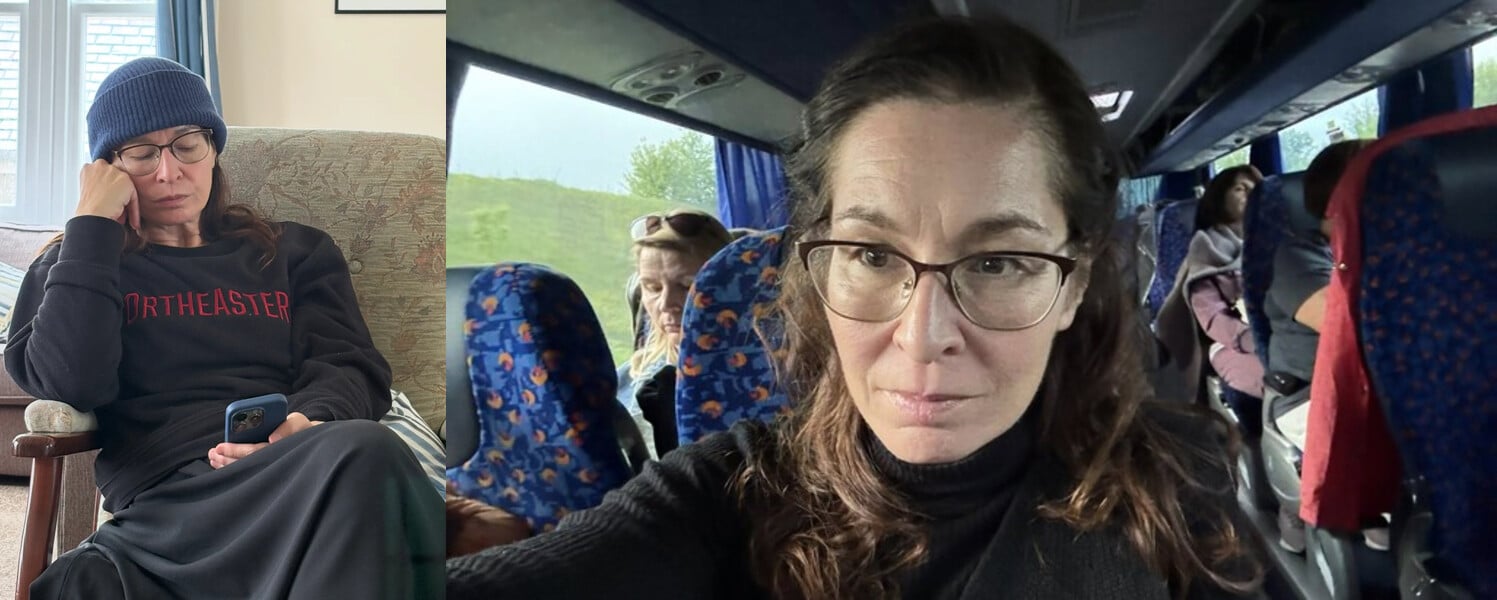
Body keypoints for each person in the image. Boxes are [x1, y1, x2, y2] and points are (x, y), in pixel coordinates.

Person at [450, 16, 1266, 599]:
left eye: (999, 261)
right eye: (872, 256)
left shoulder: (1177, 482)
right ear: (818, 267)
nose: (922, 338)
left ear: (1075, 284)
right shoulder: (722, 497)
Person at [4, 57, 441, 599]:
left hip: (289, 473)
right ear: (108, 169)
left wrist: (309, 423)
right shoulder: (77, 265)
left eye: (187, 144)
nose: (169, 173)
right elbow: (73, 383)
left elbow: (349, 365)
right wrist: (90, 227)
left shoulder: (293, 252)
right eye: (140, 153)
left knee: (369, 454)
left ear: (213, 147)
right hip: (165, 507)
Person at [1263, 139, 1382, 553]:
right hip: (1308, 393)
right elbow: (1347, 326)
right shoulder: (1299, 255)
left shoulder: (1392, 249)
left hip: (1379, 390)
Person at [614, 209, 732, 459]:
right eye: (653, 288)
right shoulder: (625, 383)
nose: (666, 303)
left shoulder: (769, 375)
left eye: (687, 285)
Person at [1156, 165, 1266, 404]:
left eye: (1256, 189)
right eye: (1240, 188)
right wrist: (1257, 339)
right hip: (1230, 343)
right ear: (1219, 198)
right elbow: (1213, 318)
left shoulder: (1273, 242)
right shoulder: (1206, 247)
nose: (1251, 194)